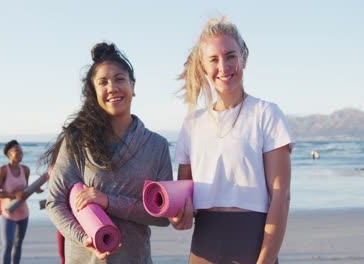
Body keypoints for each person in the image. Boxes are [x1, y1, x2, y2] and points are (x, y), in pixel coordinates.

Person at [170, 16, 295, 264]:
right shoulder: (192, 124)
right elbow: (183, 198)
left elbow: (281, 198)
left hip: (253, 243)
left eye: (230, 56)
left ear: (243, 58)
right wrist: (178, 216)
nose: (224, 67)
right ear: (203, 67)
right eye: (213, 60)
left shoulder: (266, 114)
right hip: (203, 247)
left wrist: (265, 260)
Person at [42, 42, 173, 263]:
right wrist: (85, 238)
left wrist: (109, 201)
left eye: (119, 79)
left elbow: (163, 216)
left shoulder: (156, 146)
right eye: (103, 82)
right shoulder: (77, 141)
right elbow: (55, 202)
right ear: (94, 91)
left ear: (133, 86)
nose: (112, 88)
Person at [0, 140, 34, 264]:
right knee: (8, 245)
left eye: (21, 151)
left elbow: (25, 189)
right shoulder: (3, 170)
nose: (21, 153)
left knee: (18, 245)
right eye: (17, 151)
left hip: (23, 213)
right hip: (8, 213)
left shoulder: (26, 170)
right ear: (9, 153)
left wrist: (35, 188)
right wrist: (13, 195)